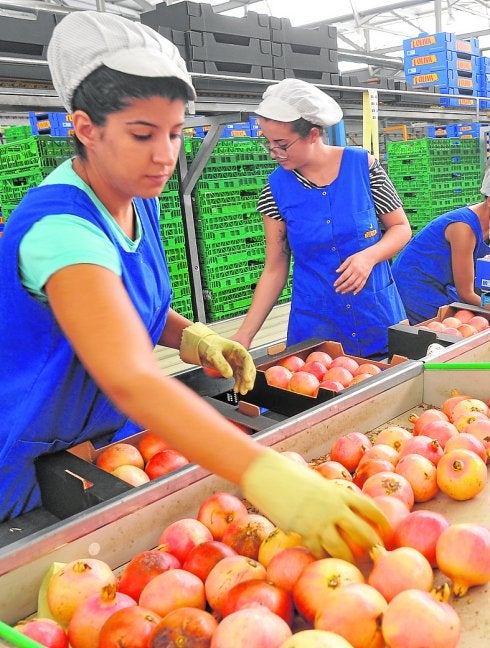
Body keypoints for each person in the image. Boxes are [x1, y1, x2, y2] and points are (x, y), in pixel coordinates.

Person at [0, 11, 387, 561]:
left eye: (177, 133)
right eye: (142, 134)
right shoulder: (60, 231)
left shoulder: (136, 196)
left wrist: (192, 335)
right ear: (85, 128)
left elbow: (132, 308)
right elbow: (128, 375)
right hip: (40, 471)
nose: (165, 155)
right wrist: (267, 474)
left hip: (113, 448)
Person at [233, 79, 412, 359]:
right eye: (267, 142)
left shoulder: (363, 168)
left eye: (281, 143)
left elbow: (400, 228)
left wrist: (369, 257)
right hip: (317, 324)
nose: (273, 152)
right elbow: (274, 267)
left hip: (375, 314)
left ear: (313, 134)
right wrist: (244, 335)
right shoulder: (275, 189)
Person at [391, 170, 490, 324]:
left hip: (442, 287)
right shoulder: (463, 228)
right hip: (416, 288)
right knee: (436, 338)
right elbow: (466, 293)